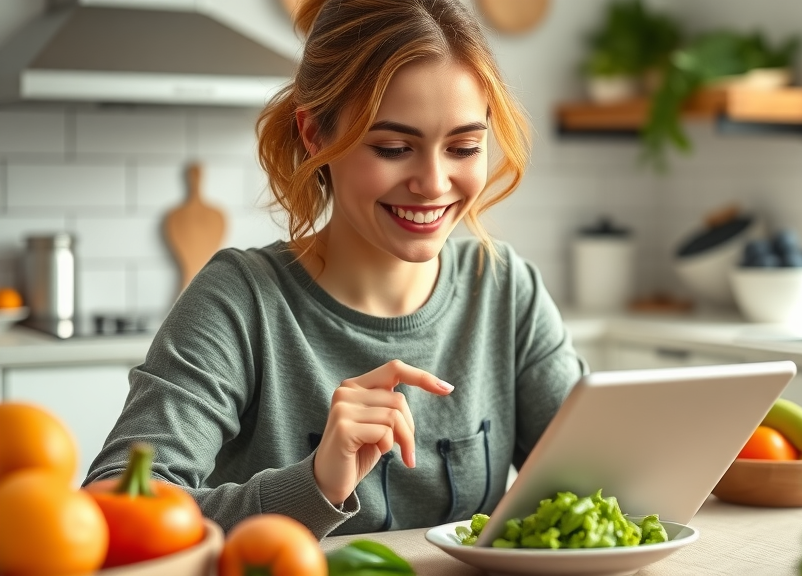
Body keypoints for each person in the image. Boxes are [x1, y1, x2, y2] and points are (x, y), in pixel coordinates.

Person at [85, 0, 585, 540]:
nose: (434, 183)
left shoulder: (506, 288)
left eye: (464, 147)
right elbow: (112, 507)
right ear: (314, 134)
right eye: (394, 148)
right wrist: (315, 484)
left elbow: (601, 477)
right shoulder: (241, 300)